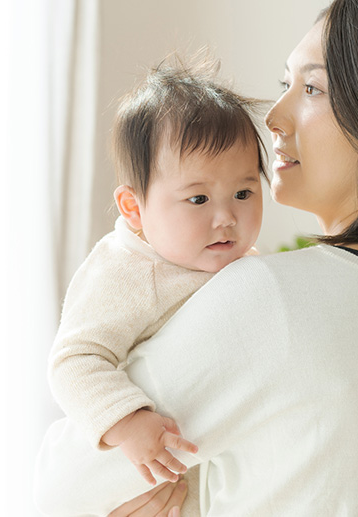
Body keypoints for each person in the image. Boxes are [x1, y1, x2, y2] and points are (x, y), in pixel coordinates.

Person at [34, 0, 358, 516]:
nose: (274, 117)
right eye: (286, 84)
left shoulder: (271, 299)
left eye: (312, 89)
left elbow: (64, 487)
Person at [47, 58, 267, 501]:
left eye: (244, 193)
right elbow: (74, 360)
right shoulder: (127, 271)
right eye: (198, 198)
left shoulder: (235, 263)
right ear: (133, 209)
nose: (226, 217)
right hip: (141, 476)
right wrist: (127, 421)